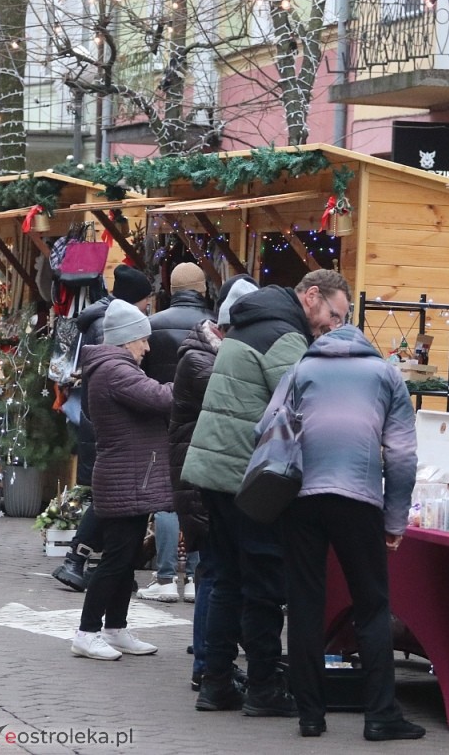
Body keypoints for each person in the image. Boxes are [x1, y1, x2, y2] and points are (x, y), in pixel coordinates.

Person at [181, 268, 350, 716]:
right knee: (261, 585)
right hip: (251, 479)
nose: (333, 326)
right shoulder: (284, 336)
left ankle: (216, 682)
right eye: (334, 314)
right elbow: (307, 405)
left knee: (227, 580)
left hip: (218, 471)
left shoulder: (254, 321)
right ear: (312, 296)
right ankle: (262, 689)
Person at [275, 324, 423, 741]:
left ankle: (309, 714)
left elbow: (267, 429)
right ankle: (380, 715)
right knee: (372, 606)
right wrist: (395, 520)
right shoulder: (386, 375)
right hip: (358, 498)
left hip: (300, 497)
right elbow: (402, 455)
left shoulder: (301, 370)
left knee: (304, 604)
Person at [70, 298, 173, 661]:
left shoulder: (112, 367)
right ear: (127, 339)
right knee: (115, 558)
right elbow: (160, 398)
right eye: (142, 340)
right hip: (124, 477)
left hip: (127, 475)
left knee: (125, 556)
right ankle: (87, 632)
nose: (146, 348)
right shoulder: (117, 370)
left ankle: (115, 627)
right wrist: (189, 380)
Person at [170, 273, 258, 691]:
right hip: (201, 476)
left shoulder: (209, 353)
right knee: (214, 570)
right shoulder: (203, 359)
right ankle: (206, 663)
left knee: (217, 570)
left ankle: (211, 658)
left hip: (204, 471)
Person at [52, 264, 154, 592]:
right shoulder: (109, 326)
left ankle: (92, 563)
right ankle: (79, 561)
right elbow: (113, 376)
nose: (148, 309)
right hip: (106, 423)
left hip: (96, 420)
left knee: (105, 498)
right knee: (105, 498)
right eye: (146, 302)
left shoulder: (98, 318)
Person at [138, 262, 213, 604]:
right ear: (203, 289)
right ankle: (198, 575)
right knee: (200, 498)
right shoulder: (215, 326)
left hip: (162, 420)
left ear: (170, 286)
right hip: (206, 421)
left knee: (168, 500)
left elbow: (142, 378)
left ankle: (166, 576)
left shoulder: (152, 326)